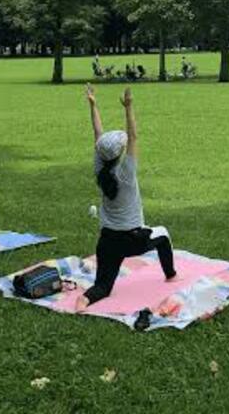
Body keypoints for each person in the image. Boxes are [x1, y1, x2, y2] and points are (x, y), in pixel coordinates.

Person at [75, 85, 176, 311]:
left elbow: (98, 135)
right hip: (132, 241)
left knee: (103, 286)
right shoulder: (126, 173)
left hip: (107, 242)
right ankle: (171, 276)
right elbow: (133, 136)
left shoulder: (100, 169)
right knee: (163, 235)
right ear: (119, 153)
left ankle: (84, 300)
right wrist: (128, 106)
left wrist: (93, 104)